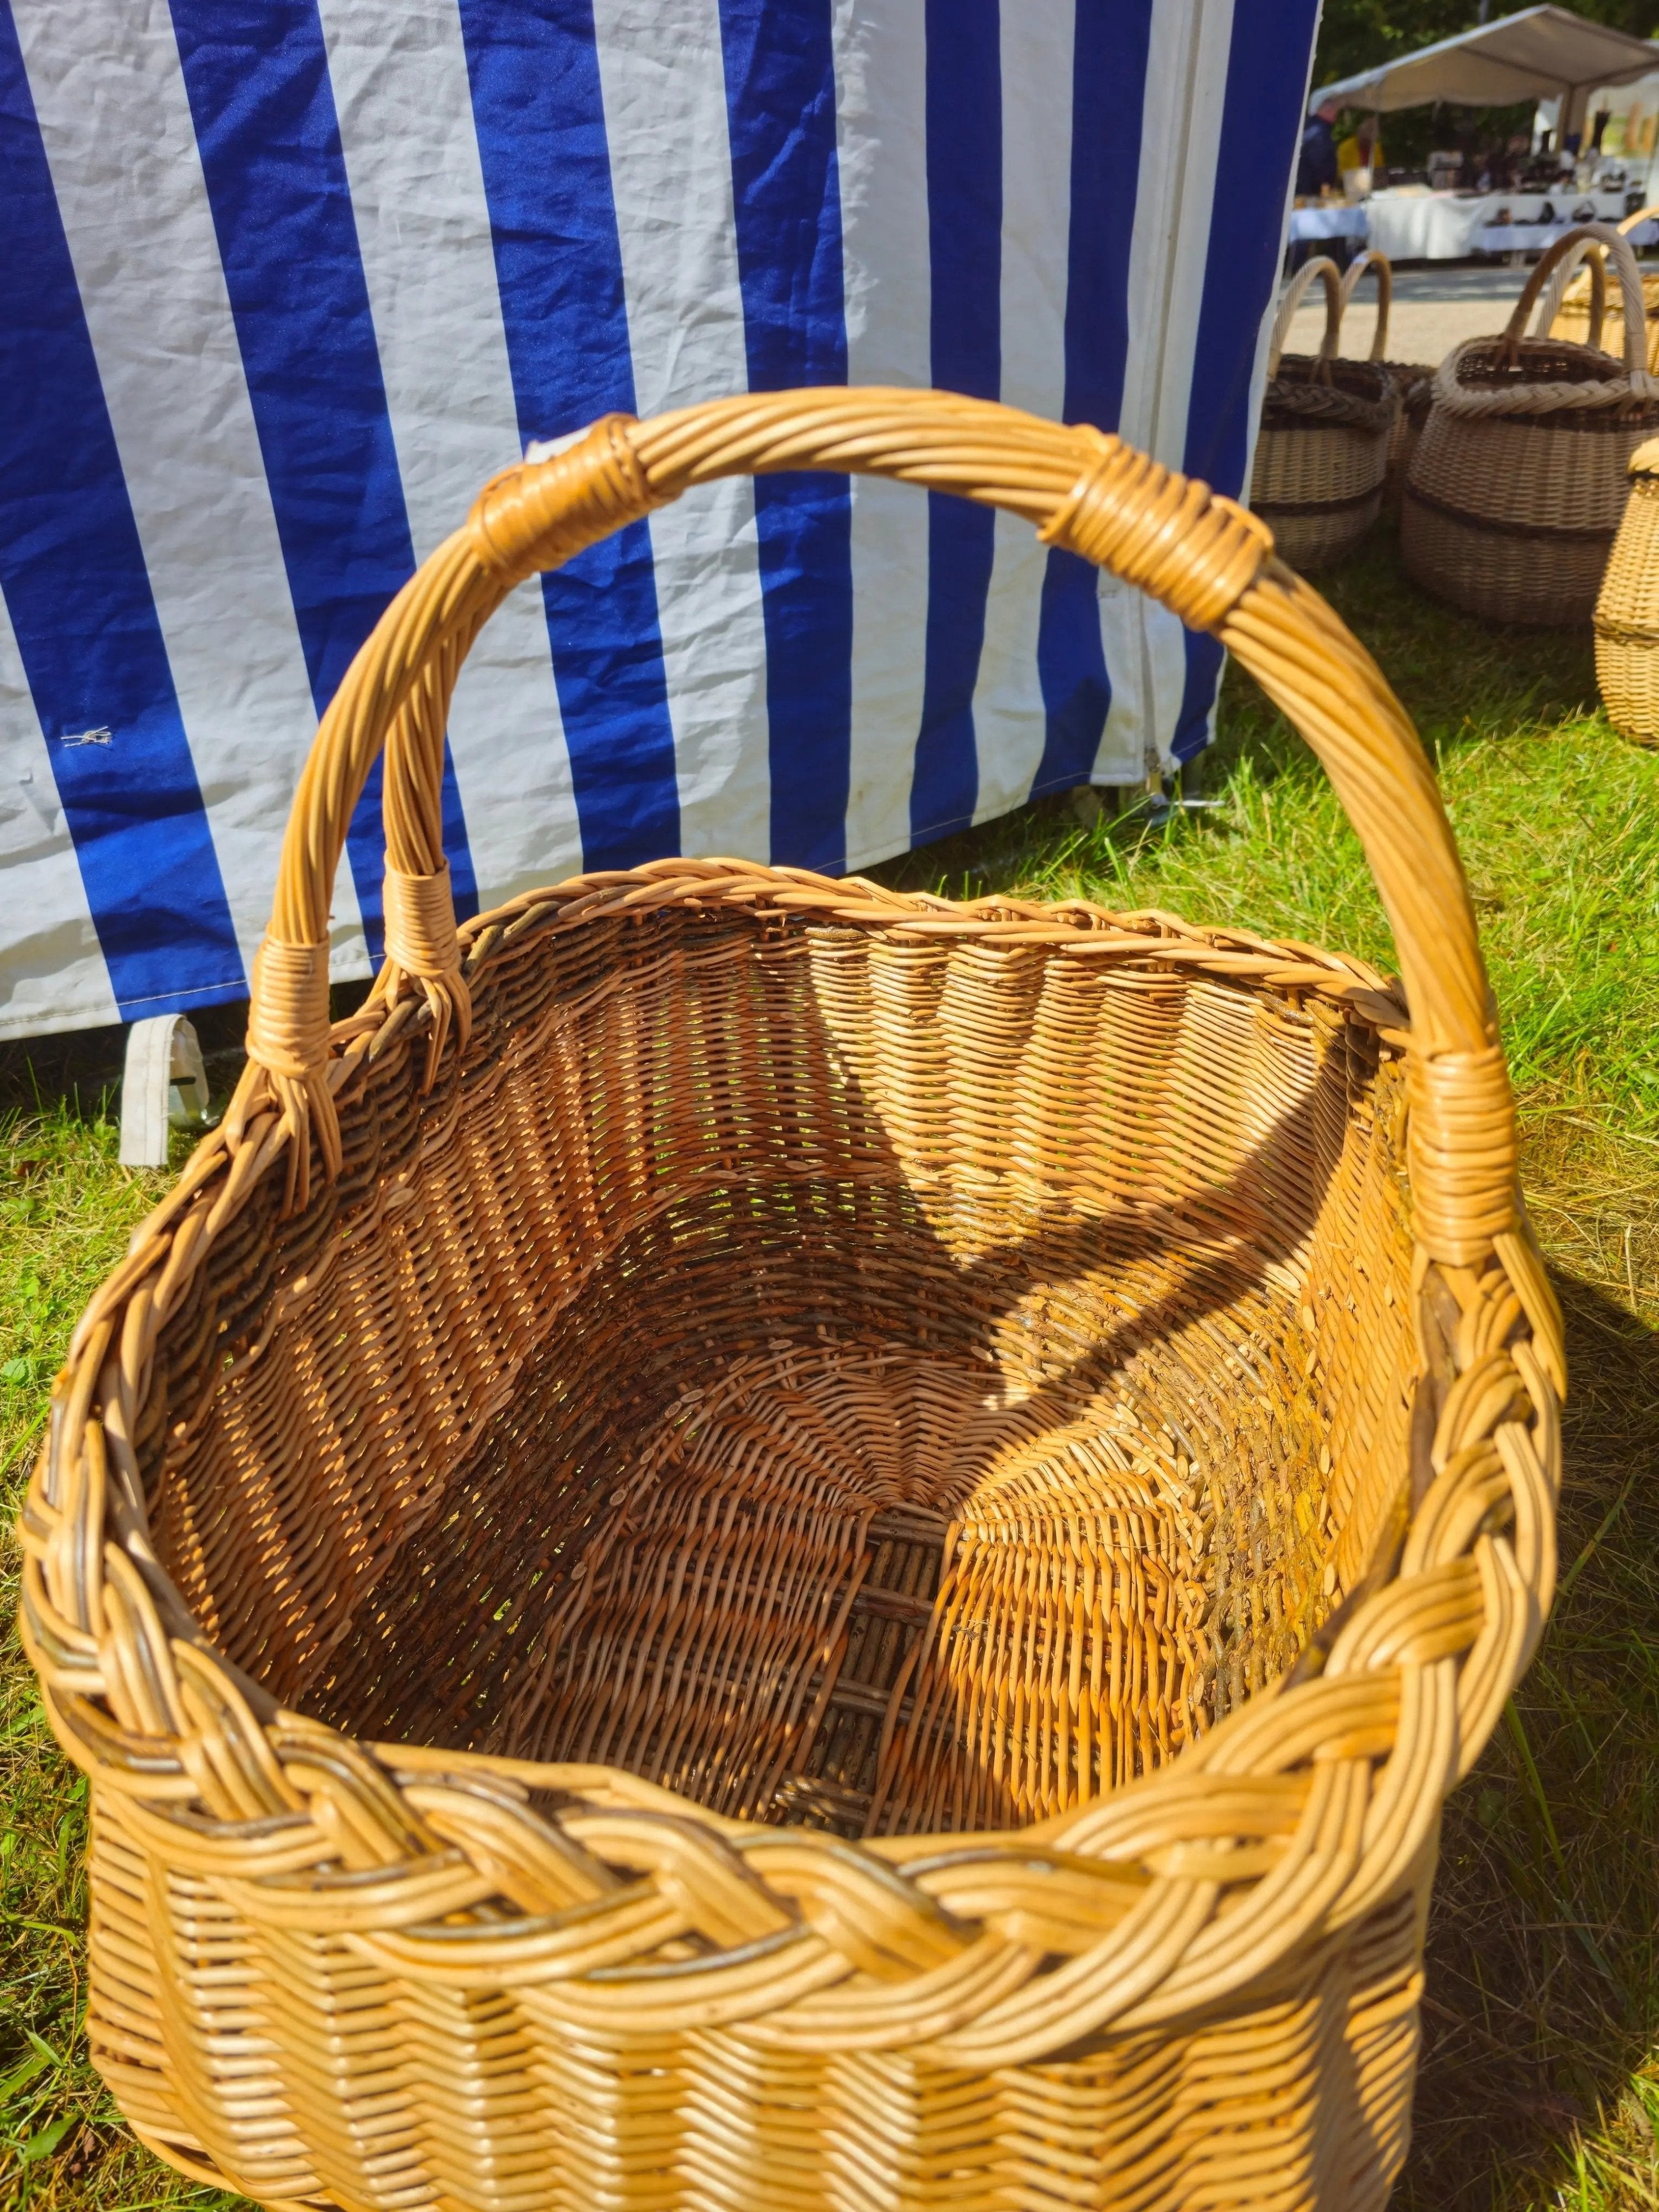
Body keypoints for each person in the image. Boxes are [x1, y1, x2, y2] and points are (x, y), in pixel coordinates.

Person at [1297, 96, 1340, 198]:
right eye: (1335, 112)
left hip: (1302, 185)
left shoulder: (1309, 126)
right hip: (1309, 190)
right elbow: (1318, 162)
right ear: (1327, 110)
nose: (1336, 117)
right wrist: (1324, 186)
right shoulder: (1320, 132)